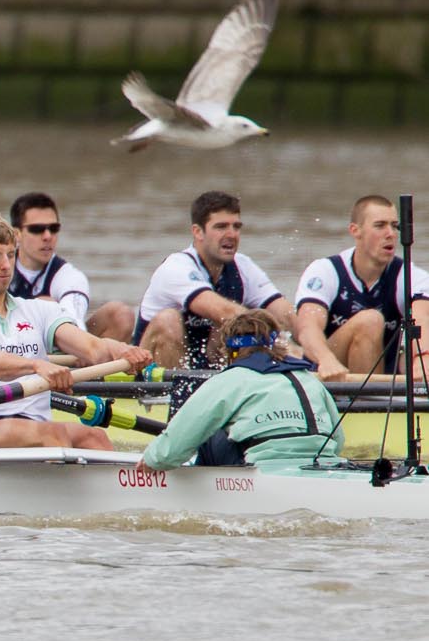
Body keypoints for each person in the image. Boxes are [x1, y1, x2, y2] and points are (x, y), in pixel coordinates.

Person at [0, 214, 154, 451]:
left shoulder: (38, 310)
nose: (6, 265)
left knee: (94, 437)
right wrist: (37, 366)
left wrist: (122, 351)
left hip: (32, 422)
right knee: (53, 435)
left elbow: (92, 348)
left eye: (10, 255)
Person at [139, 310, 343, 470]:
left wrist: (152, 460)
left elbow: (174, 446)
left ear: (230, 350)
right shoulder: (309, 380)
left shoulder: (230, 380)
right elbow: (338, 440)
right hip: (323, 466)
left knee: (210, 426)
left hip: (262, 469)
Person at [136, 189, 292, 370]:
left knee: (234, 326)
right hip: (150, 376)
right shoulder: (176, 267)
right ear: (198, 232)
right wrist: (280, 344)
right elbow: (222, 310)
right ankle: (166, 396)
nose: (232, 234)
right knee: (170, 320)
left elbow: (286, 314)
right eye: (221, 227)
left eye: (236, 227)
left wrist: (308, 346)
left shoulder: (243, 266)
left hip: (205, 369)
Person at [290, 194, 429, 383]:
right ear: (355, 231)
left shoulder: (410, 275)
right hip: (327, 377)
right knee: (370, 321)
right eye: (380, 226)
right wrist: (326, 359)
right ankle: (369, 403)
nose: (391, 234)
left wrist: (424, 360)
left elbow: (423, 318)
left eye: (395, 226)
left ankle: (374, 401)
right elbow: (307, 327)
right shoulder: (325, 271)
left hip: (381, 385)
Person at [7, 191, 135, 340]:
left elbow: (73, 318)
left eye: (54, 228)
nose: (48, 236)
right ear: (16, 234)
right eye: (37, 229)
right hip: (6, 344)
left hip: (59, 346)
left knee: (120, 315)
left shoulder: (69, 277)